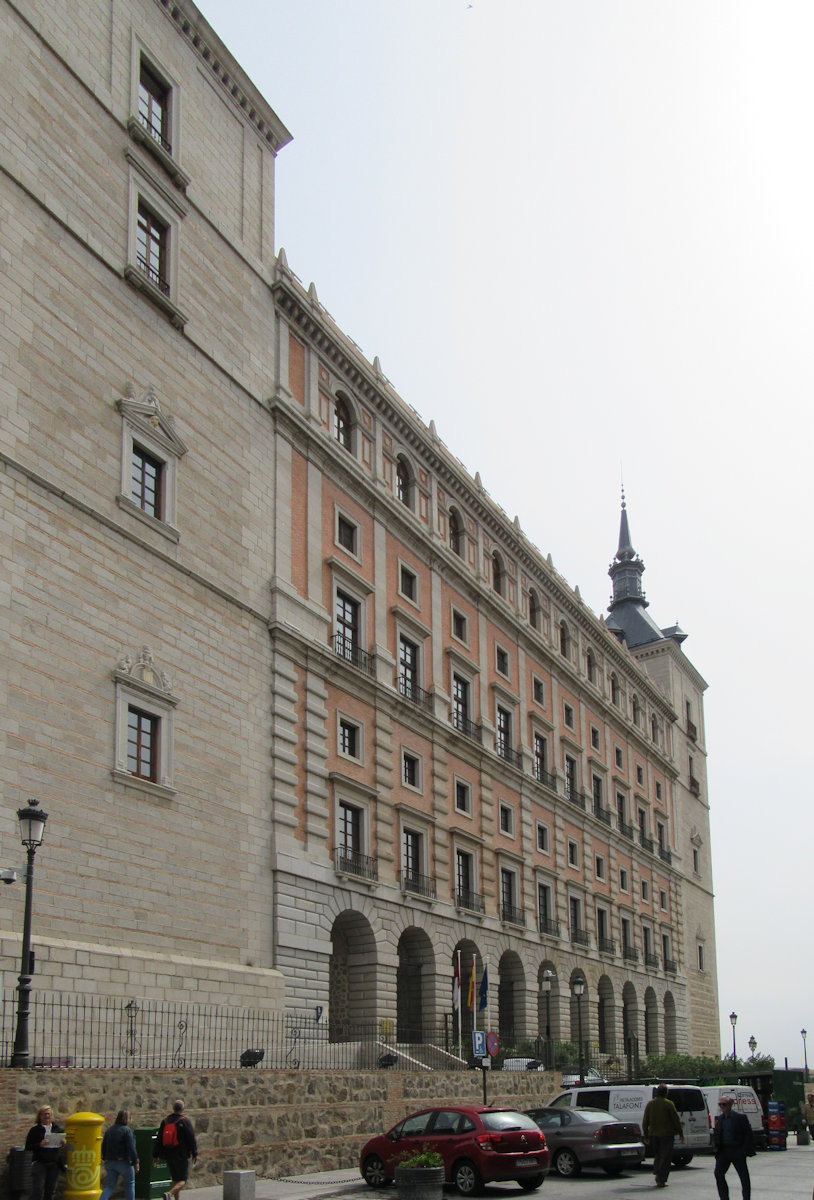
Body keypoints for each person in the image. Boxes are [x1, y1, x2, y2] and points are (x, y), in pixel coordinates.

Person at [153, 1099, 198, 1200]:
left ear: (173, 1108)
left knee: (175, 1179)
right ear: (182, 1109)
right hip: (181, 1155)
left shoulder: (165, 1121)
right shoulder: (185, 1121)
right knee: (182, 1180)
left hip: (168, 1155)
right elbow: (191, 1138)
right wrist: (195, 1153)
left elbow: (159, 1139)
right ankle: (169, 1193)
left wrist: (155, 1155)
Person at [642, 1084, 684, 1188]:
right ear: (666, 1093)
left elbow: (645, 1121)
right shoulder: (668, 1104)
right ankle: (661, 1178)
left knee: (658, 1154)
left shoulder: (650, 1104)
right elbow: (676, 1119)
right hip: (667, 1135)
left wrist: (646, 1136)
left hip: (653, 1135)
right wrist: (680, 1133)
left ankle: (657, 1172)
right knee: (666, 1157)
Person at [713, 1096, 753, 1200]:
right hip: (724, 1151)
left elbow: (748, 1134)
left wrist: (743, 1149)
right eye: (720, 1104)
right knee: (718, 1174)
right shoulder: (720, 1119)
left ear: (730, 1105)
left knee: (744, 1177)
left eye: (724, 1104)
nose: (721, 1106)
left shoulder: (740, 1118)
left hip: (737, 1150)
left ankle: (747, 1198)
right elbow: (717, 1134)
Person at [24, 1104, 65, 1200]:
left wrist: (63, 1142)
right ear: (40, 1116)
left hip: (53, 1163)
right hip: (40, 1163)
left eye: (49, 1114)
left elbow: (59, 1145)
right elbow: (28, 1147)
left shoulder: (56, 1129)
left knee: (50, 1191)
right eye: (44, 1114)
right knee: (37, 1190)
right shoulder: (34, 1130)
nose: (47, 1116)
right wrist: (39, 1145)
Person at [100, 1110, 139, 1200]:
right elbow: (131, 1148)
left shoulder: (109, 1130)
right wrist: (135, 1162)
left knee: (110, 1187)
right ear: (127, 1119)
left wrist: (105, 1158)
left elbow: (103, 1146)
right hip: (123, 1162)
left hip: (110, 1162)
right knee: (129, 1185)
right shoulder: (127, 1131)